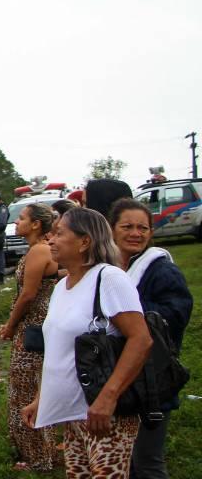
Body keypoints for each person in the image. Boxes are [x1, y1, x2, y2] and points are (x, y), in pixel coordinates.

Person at [21, 208, 153, 479]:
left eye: (59, 233)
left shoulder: (109, 279)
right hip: (73, 415)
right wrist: (40, 398)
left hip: (104, 415)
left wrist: (107, 398)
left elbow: (141, 340)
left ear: (84, 242)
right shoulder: (62, 287)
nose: (50, 240)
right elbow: (58, 350)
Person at [108, 198, 193, 479]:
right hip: (117, 374)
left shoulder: (161, 270)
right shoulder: (109, 268)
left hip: (151, 379)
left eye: (142, 228)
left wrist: (128, 311)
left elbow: (176, 314)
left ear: (151, 233)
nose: (136, 233)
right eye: (127, 227)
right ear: (112, 229)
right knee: (124, 460)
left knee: (147, 462)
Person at [0, 203, 59, 472]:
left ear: (35, 224)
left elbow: (28, 295)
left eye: (21, 218)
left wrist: (11, 325)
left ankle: (37, 458)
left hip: (33, 327)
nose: (16, 222)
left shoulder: (38, 250)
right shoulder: (43, 249)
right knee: (35, 386)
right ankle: (43, 451)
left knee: (24, 390)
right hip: (38, 324)